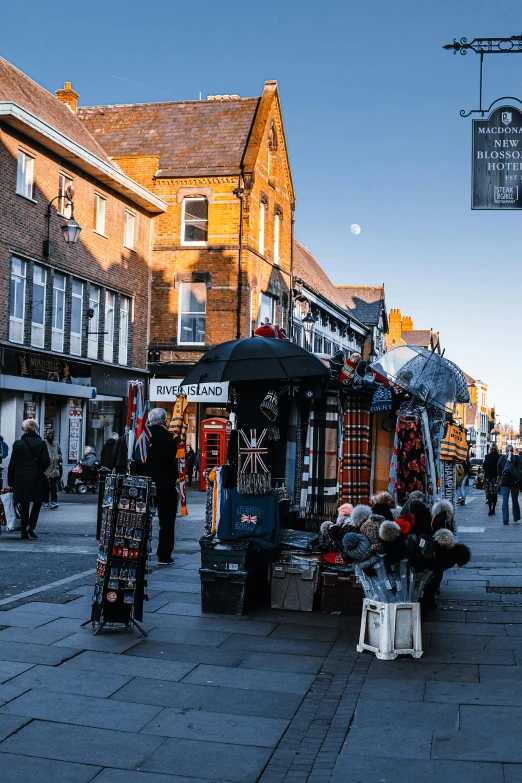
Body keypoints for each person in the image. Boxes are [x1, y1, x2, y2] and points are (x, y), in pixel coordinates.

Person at [146, 407, 178, 565]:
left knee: (142, 519)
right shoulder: (171, 438)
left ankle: (140, 552)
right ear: (165, 420)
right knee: (166, 522)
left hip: (145, 483)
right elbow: (173, 463)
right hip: (165, 484)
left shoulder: (143, 436)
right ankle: (164, 555)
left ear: (150, 420)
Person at [7, 419, 50, 539]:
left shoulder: (18, 444)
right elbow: (46, 461)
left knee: (24, 504)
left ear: (24, 429)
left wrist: (10, 481)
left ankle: (23, 531)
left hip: (19, 477)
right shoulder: (41, 443)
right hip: (36, 476)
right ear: (36, 428)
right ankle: (31, 526)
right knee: (37, 502)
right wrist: (39, 469)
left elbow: (12, 464)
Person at [498, 445, 522, 525]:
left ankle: (505, 518)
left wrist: (501, 477)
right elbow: (520, 468)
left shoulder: (501, 458)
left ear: (505, 450)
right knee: (514, 500)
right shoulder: (517, 458)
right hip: (515, 482)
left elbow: (498, 469)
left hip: (505, 482)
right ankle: (516, 517)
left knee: (505, 500)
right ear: (513, 450)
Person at [43, 428, 62, 510]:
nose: (50, 435)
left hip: (55, 468)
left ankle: (53, 501)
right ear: (46, 434)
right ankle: (46, 501)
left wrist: (59, 458)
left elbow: (59, 453)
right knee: (46, 486)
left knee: (54, 486)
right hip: (46, 468)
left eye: (52, 433)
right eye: (48, 433)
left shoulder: (56, 444)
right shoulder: (43, 443)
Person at [483, 445, 500, 516]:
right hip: (496, 477)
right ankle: (494, 508)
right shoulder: (499, 457)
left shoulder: (487, 456)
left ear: (490, 449)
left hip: (488, 477)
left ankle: (490, 508)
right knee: (495, 493)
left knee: (489, 493)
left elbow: (484, 467)